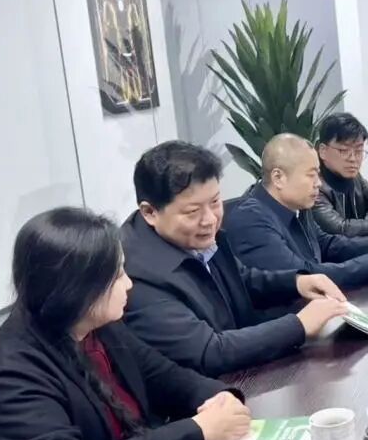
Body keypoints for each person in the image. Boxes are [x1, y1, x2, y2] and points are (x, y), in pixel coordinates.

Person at [0, 207, 253, 440]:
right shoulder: (6, 376)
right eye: (117, 275)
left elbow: (166, 377)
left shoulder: (97, 325)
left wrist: (219, 398)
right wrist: (198, 432)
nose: (129, 284)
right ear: (76, 289)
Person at [120, 141, 350, 377]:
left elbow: (242, 279)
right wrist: (299, 325)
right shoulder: (137, 275)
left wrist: (298, 283)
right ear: (150, 212)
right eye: (192, 212)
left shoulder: (195, 237)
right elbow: (208, 351)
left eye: (215, 202)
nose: (210, 220)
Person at [226, 134, 368, 288]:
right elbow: (303, 273)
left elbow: (325, 245)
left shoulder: (298, 206)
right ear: (278, 178)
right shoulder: (250, 219)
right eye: (311, 175)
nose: (318, 183)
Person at [313, 113, 368, 237]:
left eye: (358, 151)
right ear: (323, 151)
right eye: (344, 151)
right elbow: (341, 228)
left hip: (362, 246)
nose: (353, 159)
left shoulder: (354, 177)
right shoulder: (314, 186)